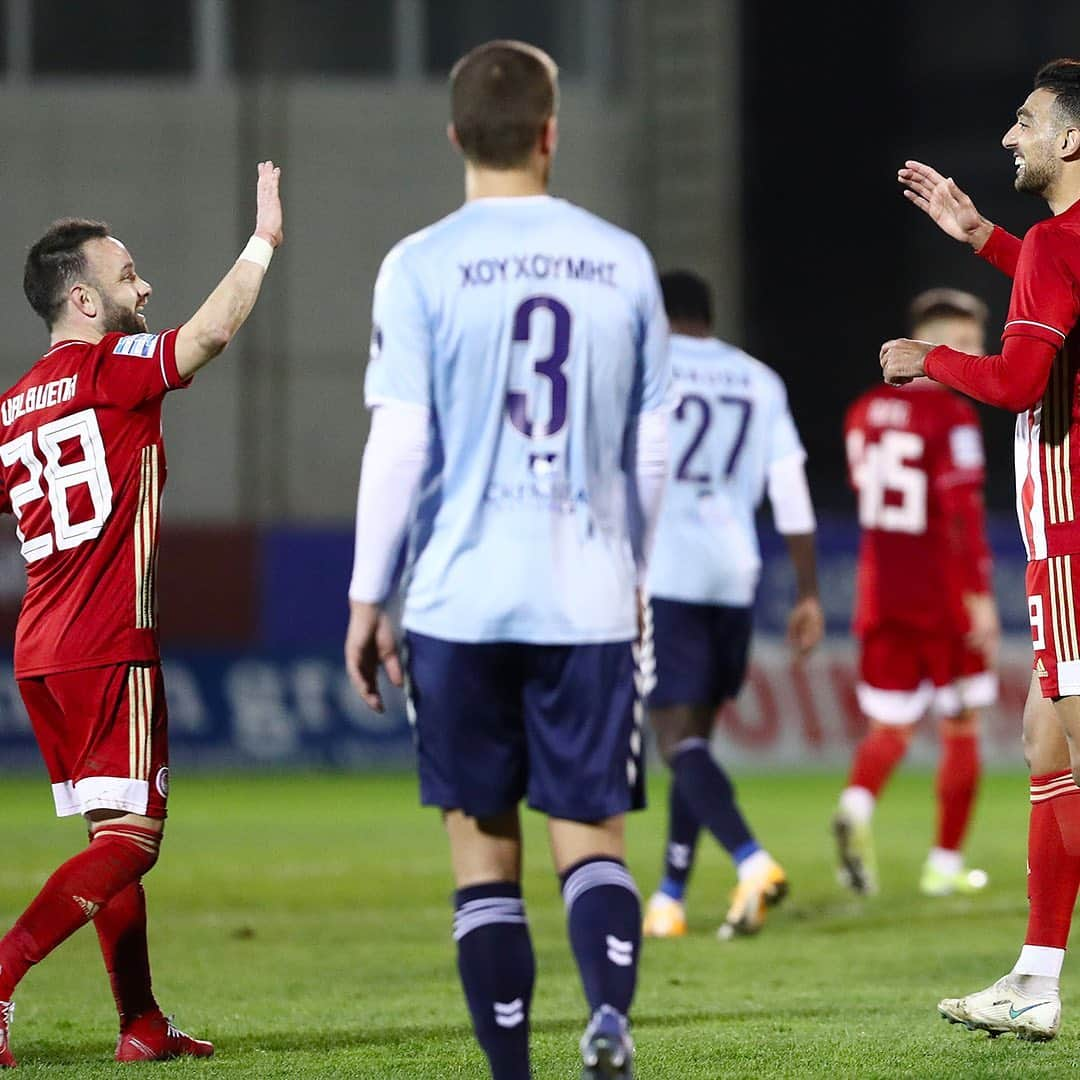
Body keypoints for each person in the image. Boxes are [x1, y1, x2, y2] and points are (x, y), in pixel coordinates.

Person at [344, 41, 668, 1080]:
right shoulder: (620, 259)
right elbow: (650, 445)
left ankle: (514, 1073)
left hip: (456, 600)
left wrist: (367, 595)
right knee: (592, 837)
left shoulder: (420, 263)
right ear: (550, 133)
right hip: (584, 592)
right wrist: (636, 568)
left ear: (455, 137)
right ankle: (608, 1017)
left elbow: (400, 442)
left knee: (483, 857)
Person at [0, 162, 283, 1066]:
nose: (145, 286)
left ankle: (139, 1021)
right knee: (134, 840)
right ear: (83, 300)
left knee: (106, 832)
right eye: (128, 276)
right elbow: (211, 332)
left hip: (41, 647)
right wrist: (263, 243)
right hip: (104, 640)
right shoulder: (115, 367)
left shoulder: (10, 409)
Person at [884, 57, 1080, 1041]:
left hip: (1073, 531)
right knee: (1048, 746)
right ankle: (1036, 982)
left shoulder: (1057, 239)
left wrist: (934, 360)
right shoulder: (1057, 243)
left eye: (1026, 120)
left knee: (1077, 752)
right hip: (1067, 533)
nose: (1010, 137)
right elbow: (1059, 284)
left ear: (1071, 141)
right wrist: (983, 238)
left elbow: (1014, 381)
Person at [639, 269, 823, 942]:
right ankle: (670, 896)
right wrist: (806, 592)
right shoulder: (758, 379)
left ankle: (752, 860)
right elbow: (791, 491)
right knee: (697, 740)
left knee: (674, 740)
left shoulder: (646, 366)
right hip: (734, 573)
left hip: (666, 571)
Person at [834, 289, 999, 899]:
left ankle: (855, 805)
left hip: (880, 592)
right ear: (942, 347)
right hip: (942, 595)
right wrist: (977, 597)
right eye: (973, 346)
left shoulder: (863, 410)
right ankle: (944, 866)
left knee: (890, 728)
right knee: (961, 725)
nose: (982, 358)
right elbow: (960, 515)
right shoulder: (951, 417)